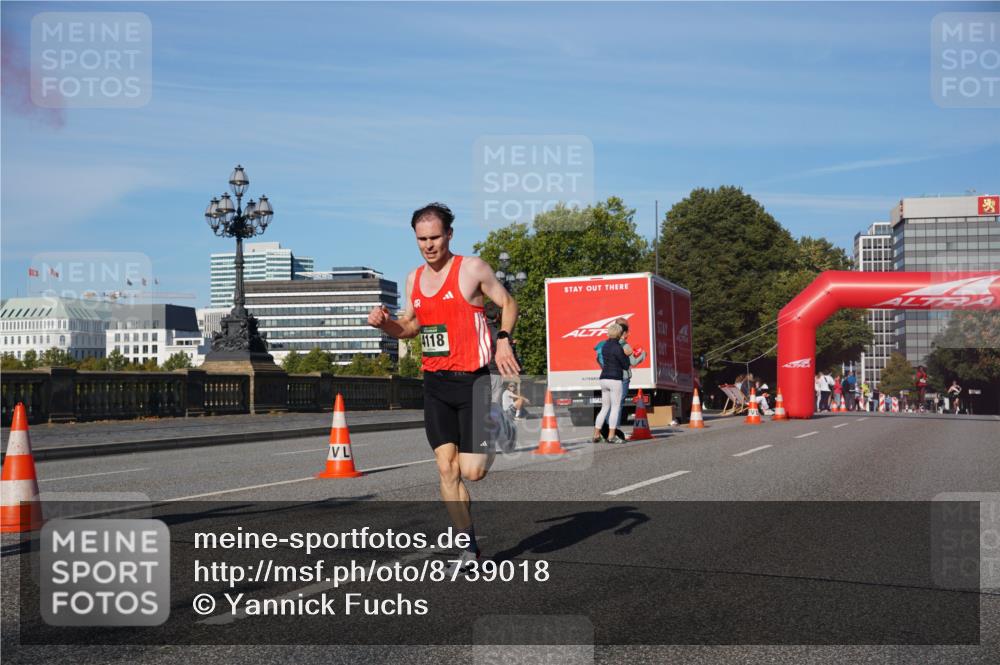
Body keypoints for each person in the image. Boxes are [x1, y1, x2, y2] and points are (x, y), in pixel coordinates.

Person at [368, 202, 519, 572]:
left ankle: (500, 421)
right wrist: (384, 324)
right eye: (422, 239)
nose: (429, 245)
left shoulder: (472, 269)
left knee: (472, 472)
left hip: (475, 383)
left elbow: (508, 302)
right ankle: (469, 547)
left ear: (449, 234)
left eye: (435, 237)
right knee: (446, 469)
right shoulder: (414, 279)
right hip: (436, 383)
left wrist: (503, 338)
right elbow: (409, 327)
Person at [593, 322, 631, 444]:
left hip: (603, 378)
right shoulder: (618, 347)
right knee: (615, 408)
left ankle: (596, 435)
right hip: (615, 379)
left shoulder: (605, 346)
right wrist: (628, 355)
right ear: (619, 334)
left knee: (604, 408)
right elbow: (625, 365)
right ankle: (611, 436)